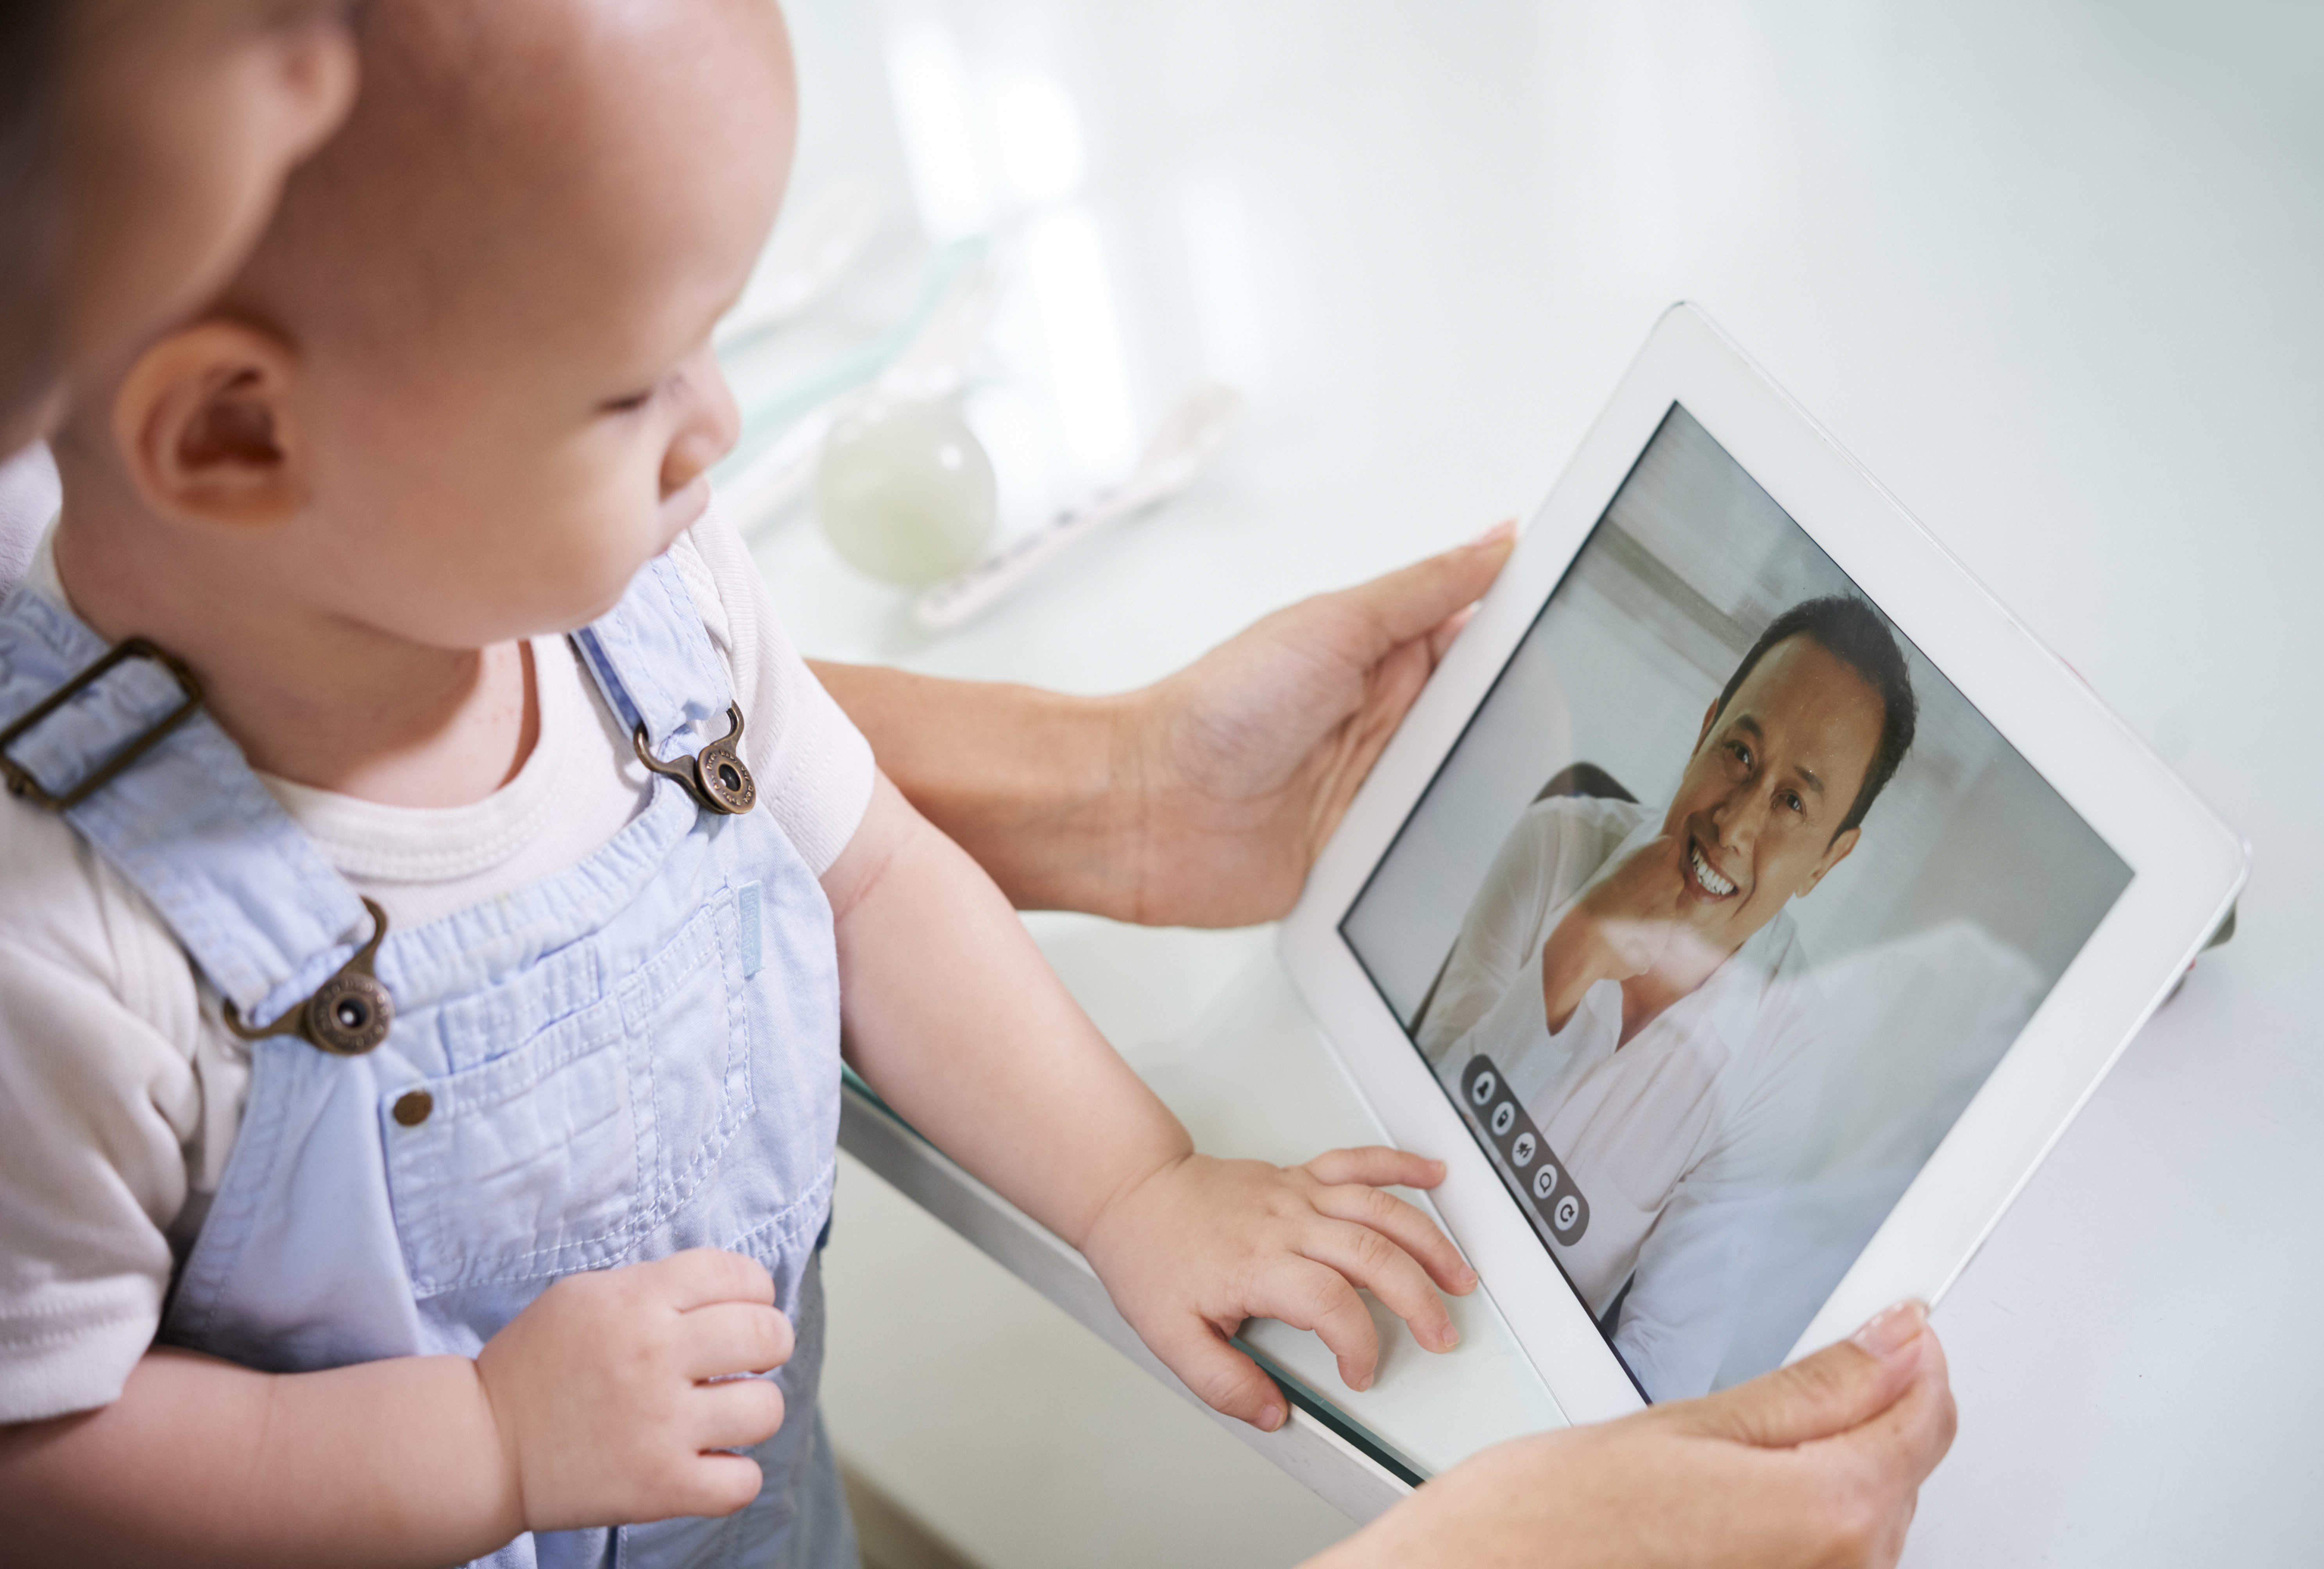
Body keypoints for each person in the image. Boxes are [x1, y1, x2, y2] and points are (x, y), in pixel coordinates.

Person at [0, 2, 1957, 1564]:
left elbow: (866, 878)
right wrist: (479, 1438)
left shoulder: (651, 600)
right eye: (632, 386)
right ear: (240, 435)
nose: (724, 420)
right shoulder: (58, 948)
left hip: (738, 1498)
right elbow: (45, 1451)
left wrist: (1133, 1181)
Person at [1421, 597, 1919, 1400]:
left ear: (1827, 859)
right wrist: (1576, 947)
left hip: (1518, 1398)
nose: (1733, 823)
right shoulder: (1556, 844)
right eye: (1740, 754)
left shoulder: (1784, 1049)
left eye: (1792, 803)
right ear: (1706, 728)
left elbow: (1665, 1358)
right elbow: (1407, 1126)